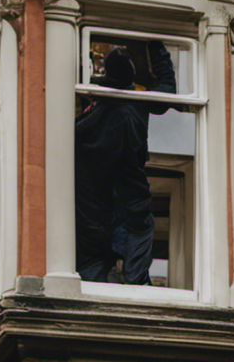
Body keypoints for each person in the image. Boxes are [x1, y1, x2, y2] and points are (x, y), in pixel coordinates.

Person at [74, 42, 176, 284]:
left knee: (90, 277)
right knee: (136, 279)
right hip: (129, 206)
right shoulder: (133, 104)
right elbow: (167, 91)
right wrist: (155, 45)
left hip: (92, 210)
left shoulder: (90, 113)